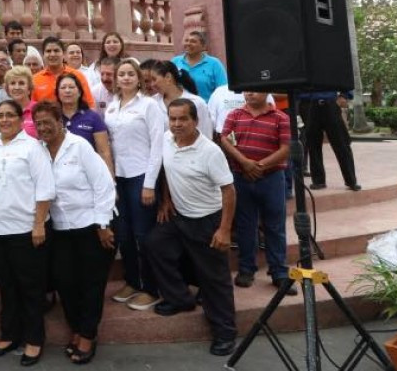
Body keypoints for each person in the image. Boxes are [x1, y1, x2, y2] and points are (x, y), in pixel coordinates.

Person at [146, 99, 237, 357]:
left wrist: (225, 230)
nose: (176, 124)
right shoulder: (166, 139)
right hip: (179, 217)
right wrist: (165, 200)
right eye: (172, 119)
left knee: (215, 279)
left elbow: (229, 191)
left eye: (182, 119)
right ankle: (180, 299)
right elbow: (166, 170)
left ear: (195, 121)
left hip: (209, 221)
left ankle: (225, 332)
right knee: (155, 244)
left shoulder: (210, 151)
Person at [32, 101, 115, 364]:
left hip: (91, 226)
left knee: (91, 285)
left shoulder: (79, 146)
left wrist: (102, 224)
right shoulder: (39, 151)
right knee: (65, 282)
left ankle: (88, 335)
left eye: (48, 122)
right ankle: (77, 328)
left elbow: (103, 184)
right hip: (60, 228)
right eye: (39, 123)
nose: (43, 127)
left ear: (60, 121)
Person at [0, 100, 53, 366]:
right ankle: (10, 334)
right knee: (7, 287)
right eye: (0, 116)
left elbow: (45, 188)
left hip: (25, 230)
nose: (5, 120)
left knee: (31, 288)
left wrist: (38, 224)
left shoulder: (33, 148)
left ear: (20, 119)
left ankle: (34, 339)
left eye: (10, 115)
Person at [217, 91, 295, 295]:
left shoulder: (281, 117)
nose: (249, 93)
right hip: (241, 178)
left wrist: (259, 166)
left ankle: (279, 272)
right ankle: (246, 269)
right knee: (245, 225)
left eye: (254, 89)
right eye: (246, 90)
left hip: (272, 178)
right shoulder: (235, 115)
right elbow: (224, 139)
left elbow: (286, 148)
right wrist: (244, 163)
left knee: (275, 226)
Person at [103, 58, 166, 310]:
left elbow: (158, 145)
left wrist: (150, 183)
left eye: (131, 74)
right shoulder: (110, 107)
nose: (126, 78)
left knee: (143, 234)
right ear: (116, 79)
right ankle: (132, 281)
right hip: (119, 177)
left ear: (139, 78)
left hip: (141, 176)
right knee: (124, 234)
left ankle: (151, 287)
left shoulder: (149, 106)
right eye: (122, 74)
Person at [296, 90, 361, 191]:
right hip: (307, 103)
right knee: (313, 143)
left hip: (330, 102)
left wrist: (344, 95)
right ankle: (318, 181)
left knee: (342, 143)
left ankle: (351, 180)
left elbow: (345, 75)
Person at [56, 73, 112, 174]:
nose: (67, 90)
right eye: (63, 87)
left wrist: (111, 181)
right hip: (59, 176)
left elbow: (104, 152)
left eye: (71, 87)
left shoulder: (93, 117)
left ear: (79, 92)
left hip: (88, 174)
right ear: (57, 93)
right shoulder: (53, 118)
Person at [151, 60, 213, 139]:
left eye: (154, 79)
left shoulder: (196, 102)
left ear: (168, 77)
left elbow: (206, 134)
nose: (152, 85)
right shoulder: (152, 102)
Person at [32, 37, 95, 108]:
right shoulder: (35, 80)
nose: (52, 54)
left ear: (64, 54)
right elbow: (32, 107)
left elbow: (90, 104)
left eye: (56, 51)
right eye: (48, 51)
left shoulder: (77, 76)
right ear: (43, 55)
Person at [171, 30, 228, 102]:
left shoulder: (214, 64)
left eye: (193, 41)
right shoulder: (175, 61)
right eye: (186, 40)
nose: (188, 43)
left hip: (206, 109)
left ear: (203, 46)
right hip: (179, 109)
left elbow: (223, 89)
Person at [4, 66, 37, 138]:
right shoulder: (3, 111)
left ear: (29, 88)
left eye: (21, 83)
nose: (17, 87)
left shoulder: (39, 110)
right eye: (12, 83)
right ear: (7, 89)